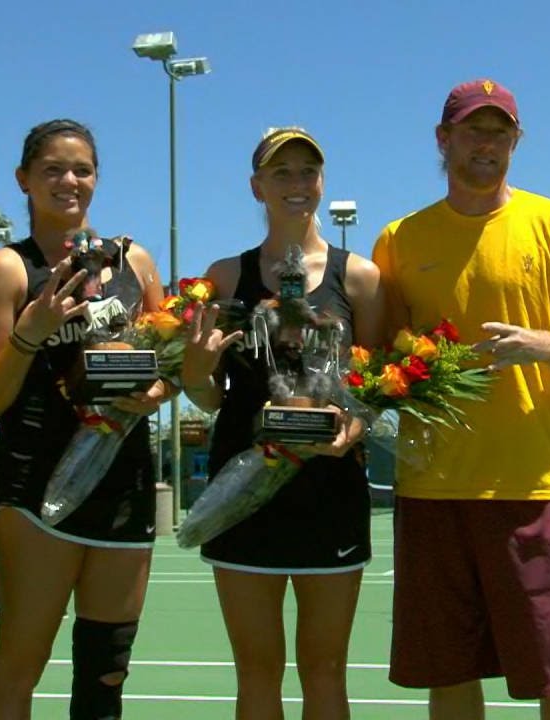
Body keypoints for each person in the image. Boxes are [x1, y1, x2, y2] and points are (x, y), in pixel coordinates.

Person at [372, 79, 550, 720]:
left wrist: (541, 344)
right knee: (447, 673)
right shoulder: (400, 238)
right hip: (430, 490)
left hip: (532, 487)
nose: (486, 143)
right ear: (442, 139)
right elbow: (383, 359)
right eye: (473, 130)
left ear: (517, 141)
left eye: (499, 131)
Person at [0, 118, 170, 720]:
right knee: (19, 667)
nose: (68, 181)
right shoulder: (6, 269)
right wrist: (31, 332)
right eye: (52, 169)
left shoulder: (134, 261)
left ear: (97, 179)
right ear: (23, 180)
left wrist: (156, 389)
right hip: (36, 493)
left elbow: (167, 360)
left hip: (123, 486)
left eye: (81, 169)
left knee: (107, 671)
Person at [180, 127, 384, 720]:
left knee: (325, 674)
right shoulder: (221, 277)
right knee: (256, 673)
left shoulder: (361, 278)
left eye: (307, 172)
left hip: (330, 493)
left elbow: (376, 391)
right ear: (256, 187)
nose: (296, 184)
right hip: (243, 494)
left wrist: (356, 427)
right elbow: (209, 396)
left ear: (322, 182)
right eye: (281, 173)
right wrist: (194, 370)